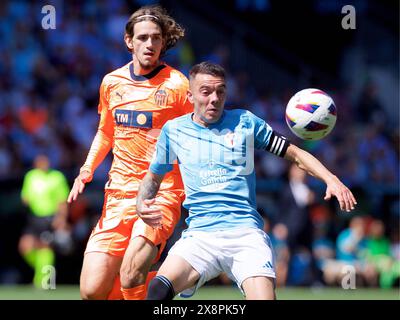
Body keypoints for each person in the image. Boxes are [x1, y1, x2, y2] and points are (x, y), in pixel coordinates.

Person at [136, 62, 358, 300]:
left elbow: (295, 154)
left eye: (220, 91)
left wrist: (331, 179)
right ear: (190, 95)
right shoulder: (174, 130)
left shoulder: (245, 122)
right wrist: (142, 202)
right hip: (200, 235)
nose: (214, 98)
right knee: (157, 291)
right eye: (206, 91)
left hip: (245, 234)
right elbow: (154, 176)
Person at [67, 5, 192, 300]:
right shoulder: (111, 83)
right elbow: (105, 132)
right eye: (143, 38)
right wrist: (86, 171)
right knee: (92, 290)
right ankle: (165, 283)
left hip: (161, 194)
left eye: (156, 38)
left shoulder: (178, 85)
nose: (150, 44)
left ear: (163, 42)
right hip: (118, 194)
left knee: (130, 272)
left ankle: (156, 280)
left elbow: (195, 138)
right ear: (129, 41)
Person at [19, 154, 70, 288]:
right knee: (25, 246)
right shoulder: (30, 176)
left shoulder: (57, 177)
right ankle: (42, 271)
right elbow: (25, 197)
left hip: (49, 217)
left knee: (45, 247)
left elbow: (62, 201)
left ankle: (43, 281)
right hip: (34, 218)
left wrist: (61, 218)